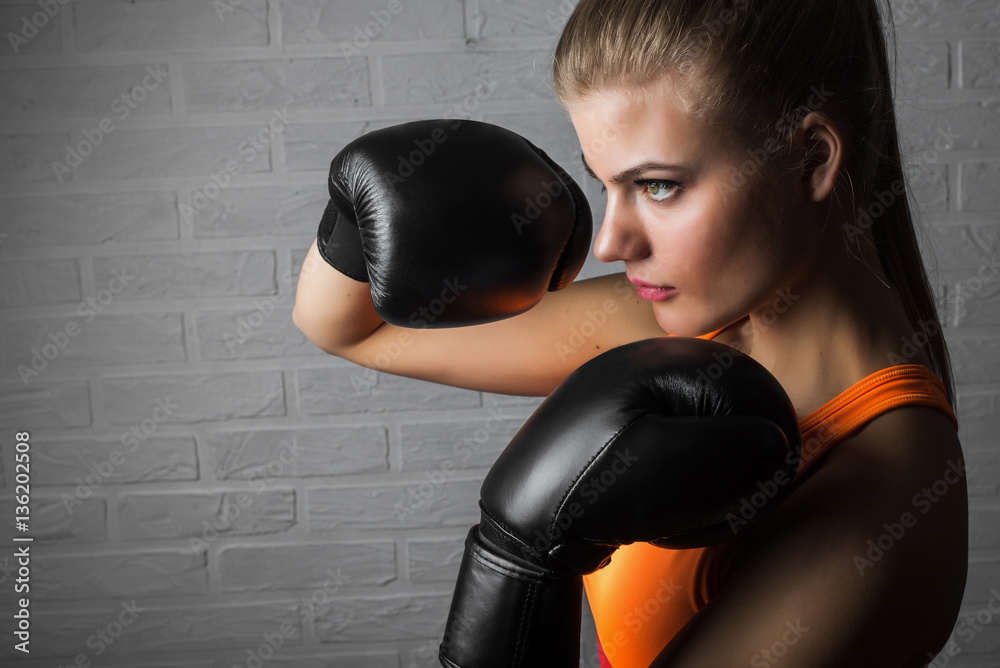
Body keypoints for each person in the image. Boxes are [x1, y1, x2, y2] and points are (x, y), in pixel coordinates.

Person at [293, 0, 968, 664]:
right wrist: (355, 215)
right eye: (604, 185)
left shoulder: (883, 499)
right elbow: (349, 327)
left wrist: (518, 563)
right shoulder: (675, 322)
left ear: (811, 160)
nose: (610, 243)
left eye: (658, 186)